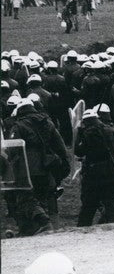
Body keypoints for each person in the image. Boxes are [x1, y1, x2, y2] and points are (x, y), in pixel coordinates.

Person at [6, 98, 69, 235]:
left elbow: (12, 149)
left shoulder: (19, 125)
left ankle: (44, 223)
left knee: (25, 199)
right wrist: (62, 163)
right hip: (46, 166)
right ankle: (29, 231)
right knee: (41, 198)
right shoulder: (48, 122)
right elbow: (60, 146)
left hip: (26, 168)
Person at [74, 108, 114, 226]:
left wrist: (78, 134)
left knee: (88, 206)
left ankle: (81, 231)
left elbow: (79, 152)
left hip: (92, 174)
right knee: (110, 204)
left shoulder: (86, 134)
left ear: (85, 121)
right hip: (111, 171)